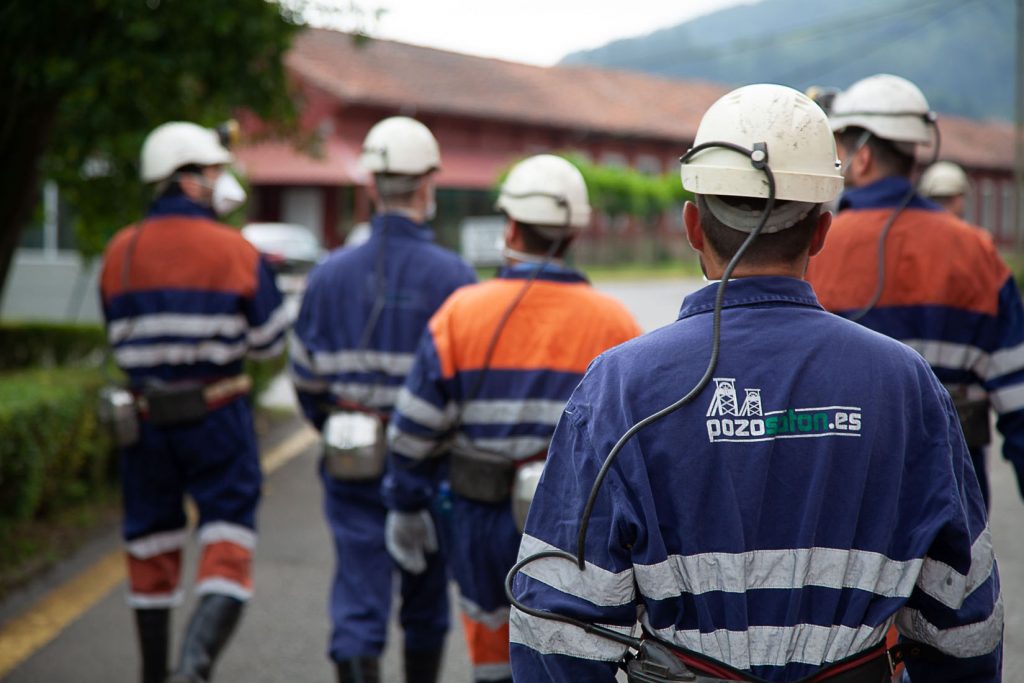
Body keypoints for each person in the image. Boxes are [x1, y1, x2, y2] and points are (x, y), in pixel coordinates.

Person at [509, 84, 1002, 681]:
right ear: (821, 230)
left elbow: (557, 633)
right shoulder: (908, 386)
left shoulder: (618, 386)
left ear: (693, 225)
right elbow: (966, 623)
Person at [383, 154, 642, 683]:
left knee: (492, 654)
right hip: (574, 530)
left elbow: (414, 431)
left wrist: (406, 505)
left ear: (511, 226)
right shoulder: (616, 323)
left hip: (478, 517)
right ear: (573, 234)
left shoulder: (460, 312)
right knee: (563, 652)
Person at [99, 121, 289, 683]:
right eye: (211, 172)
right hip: (216, 415)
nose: (219, 182)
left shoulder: (119, 250)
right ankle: (194, 667)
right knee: (228, 535)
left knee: (151, 542)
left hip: (145, 420)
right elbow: (269, 342)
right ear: (184, 180)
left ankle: (155, 673)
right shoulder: (235, 249)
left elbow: (116, 335)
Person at [289, 116, 476, 683]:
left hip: (353, 457)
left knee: (357, 594)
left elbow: (305, 379)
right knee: (425, 597)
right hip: (431, 467)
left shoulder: (326, 276)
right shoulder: (457, 277)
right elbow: (467, 388)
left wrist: (337, 423)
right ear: (427, 186)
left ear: (372, 187)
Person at [805, 73, 1024, 510]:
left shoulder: (813, 250)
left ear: (861, 158)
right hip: (952, 514)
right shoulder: (978, 252)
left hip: (840, 515)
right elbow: (1019, 406)